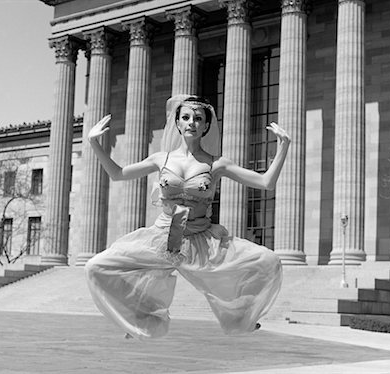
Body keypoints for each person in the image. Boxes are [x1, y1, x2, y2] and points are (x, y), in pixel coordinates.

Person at [85, 94, 290, 339]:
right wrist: (94, 143)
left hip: (200, 241)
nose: (191, 122)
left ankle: (240, 317)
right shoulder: (160, 159)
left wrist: (284, 146)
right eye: (186, 117)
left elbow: (266, 182)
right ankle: (143, 318)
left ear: (206, 126)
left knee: (268, 260)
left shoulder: (217, 164)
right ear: (178, 124)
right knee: (96, 266)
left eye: (198, 118)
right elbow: (118, 174)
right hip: (162, 237)